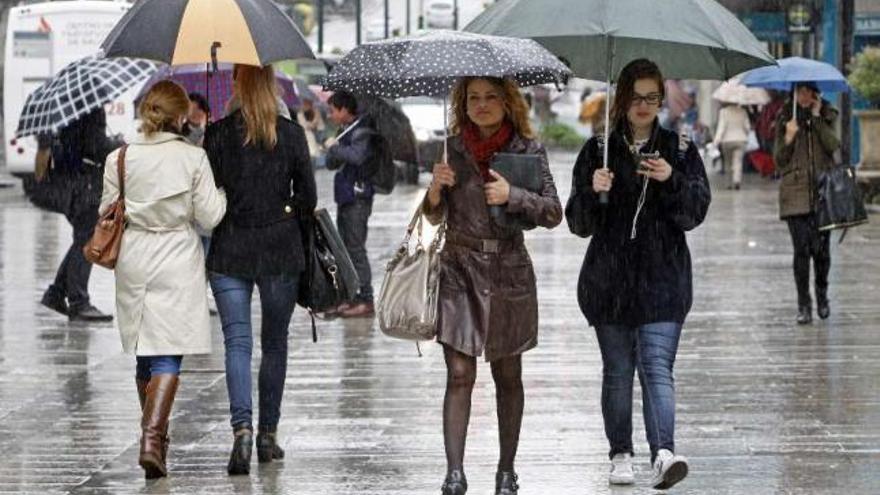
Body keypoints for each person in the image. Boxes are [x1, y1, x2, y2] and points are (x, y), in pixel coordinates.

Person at [565, 59, 711, 490]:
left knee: (657, 367)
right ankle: (621, 454)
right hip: (609, 282)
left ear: (661, 100)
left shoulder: (680, 150)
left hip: (664, 280)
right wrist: (595, 190)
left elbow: (694, 214)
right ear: (622, 98)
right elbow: (578, 223)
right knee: (617, 371)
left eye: (652, 97)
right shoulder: (597, 151)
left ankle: (663, 453)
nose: (644, 105)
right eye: (636, 96)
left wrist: (671, 180)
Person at [422, 76, 563, 495]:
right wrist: (434, 190)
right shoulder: (451, 148)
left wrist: (513, 194)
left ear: (507, 103)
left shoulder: (527, 150)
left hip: (509, 271)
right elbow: (433, 216)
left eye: (490, 98)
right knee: (460, 372)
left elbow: (553, 212)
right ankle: (454, 472)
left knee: (508, 374)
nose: (481, 106)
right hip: (458, 269)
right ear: (462, 104)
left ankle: (506, 471)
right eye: (472, 99)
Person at [100, 80, 227, 479]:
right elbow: (210, 217)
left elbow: (107, 210)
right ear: (181, 116)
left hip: (134, 257)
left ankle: (157, 438)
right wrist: (219, 192)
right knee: (168, 350)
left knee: (144, 348)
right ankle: (152, 439)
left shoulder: (119, 158)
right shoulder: (193, 158)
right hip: (176, 256)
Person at [204, 64, 317, 476]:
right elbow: (308, 196)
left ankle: (242, 431)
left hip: (231, 247)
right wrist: (282, 211)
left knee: (237, 343)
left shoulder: (217, 134)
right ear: (271, 84)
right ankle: (268, 434)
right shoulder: (289, 135)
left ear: (236, 83)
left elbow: (208, 192)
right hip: (279, 249)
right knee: (275, 343)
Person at [40, 107, 121, 321]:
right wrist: (118, 144)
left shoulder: (70, 107)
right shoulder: (91, 108)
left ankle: (56, 293)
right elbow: (95, 146)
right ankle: (78, 302)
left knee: (83, 239)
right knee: (87, 242)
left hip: (71, 182)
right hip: (84, 185)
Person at [773, 83, 839, 325]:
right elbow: (778, 161)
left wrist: (816, 119)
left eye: (807, 92)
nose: (802, 97)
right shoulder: (784, 118)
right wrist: (789, 137)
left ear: (814, 94)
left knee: (822, 253)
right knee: (801, 251)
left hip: (823, 193)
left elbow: (834, 146)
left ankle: (822, 296)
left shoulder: (827, 115)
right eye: (798, 92)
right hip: (795, 194)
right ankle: (804, 304)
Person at [324, 90, 377, 318]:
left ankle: (366, 299)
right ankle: (352, 296)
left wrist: (335, 148)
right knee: (344, 248)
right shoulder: (344, 131)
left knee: (355, 248)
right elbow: (330, 163)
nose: (330, 115)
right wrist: (334, 148)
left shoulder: (362, 131)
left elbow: (357, 156)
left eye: (332, 110)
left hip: (358, 199)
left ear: (345, 109)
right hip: (345, 197)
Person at [713, 103, 751, 189]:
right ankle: (736, 180)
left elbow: (721, 127)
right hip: (741, 139)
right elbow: (747, 127)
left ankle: (728, 184)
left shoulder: (723, 112)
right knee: (738, 161)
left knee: (728, 163)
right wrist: (745, 133)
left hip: (727, 141)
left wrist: (716, 141)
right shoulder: (743, 111)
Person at [297, 97, 326, 163]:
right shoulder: (301, 114)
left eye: (307, 104)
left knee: (318, 148)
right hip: (309, 135)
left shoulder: (316, 111)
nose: (305, 106)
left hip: (318, 132)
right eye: (304, 104)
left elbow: (318, 125)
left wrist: (316, 116)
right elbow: (306, 126)